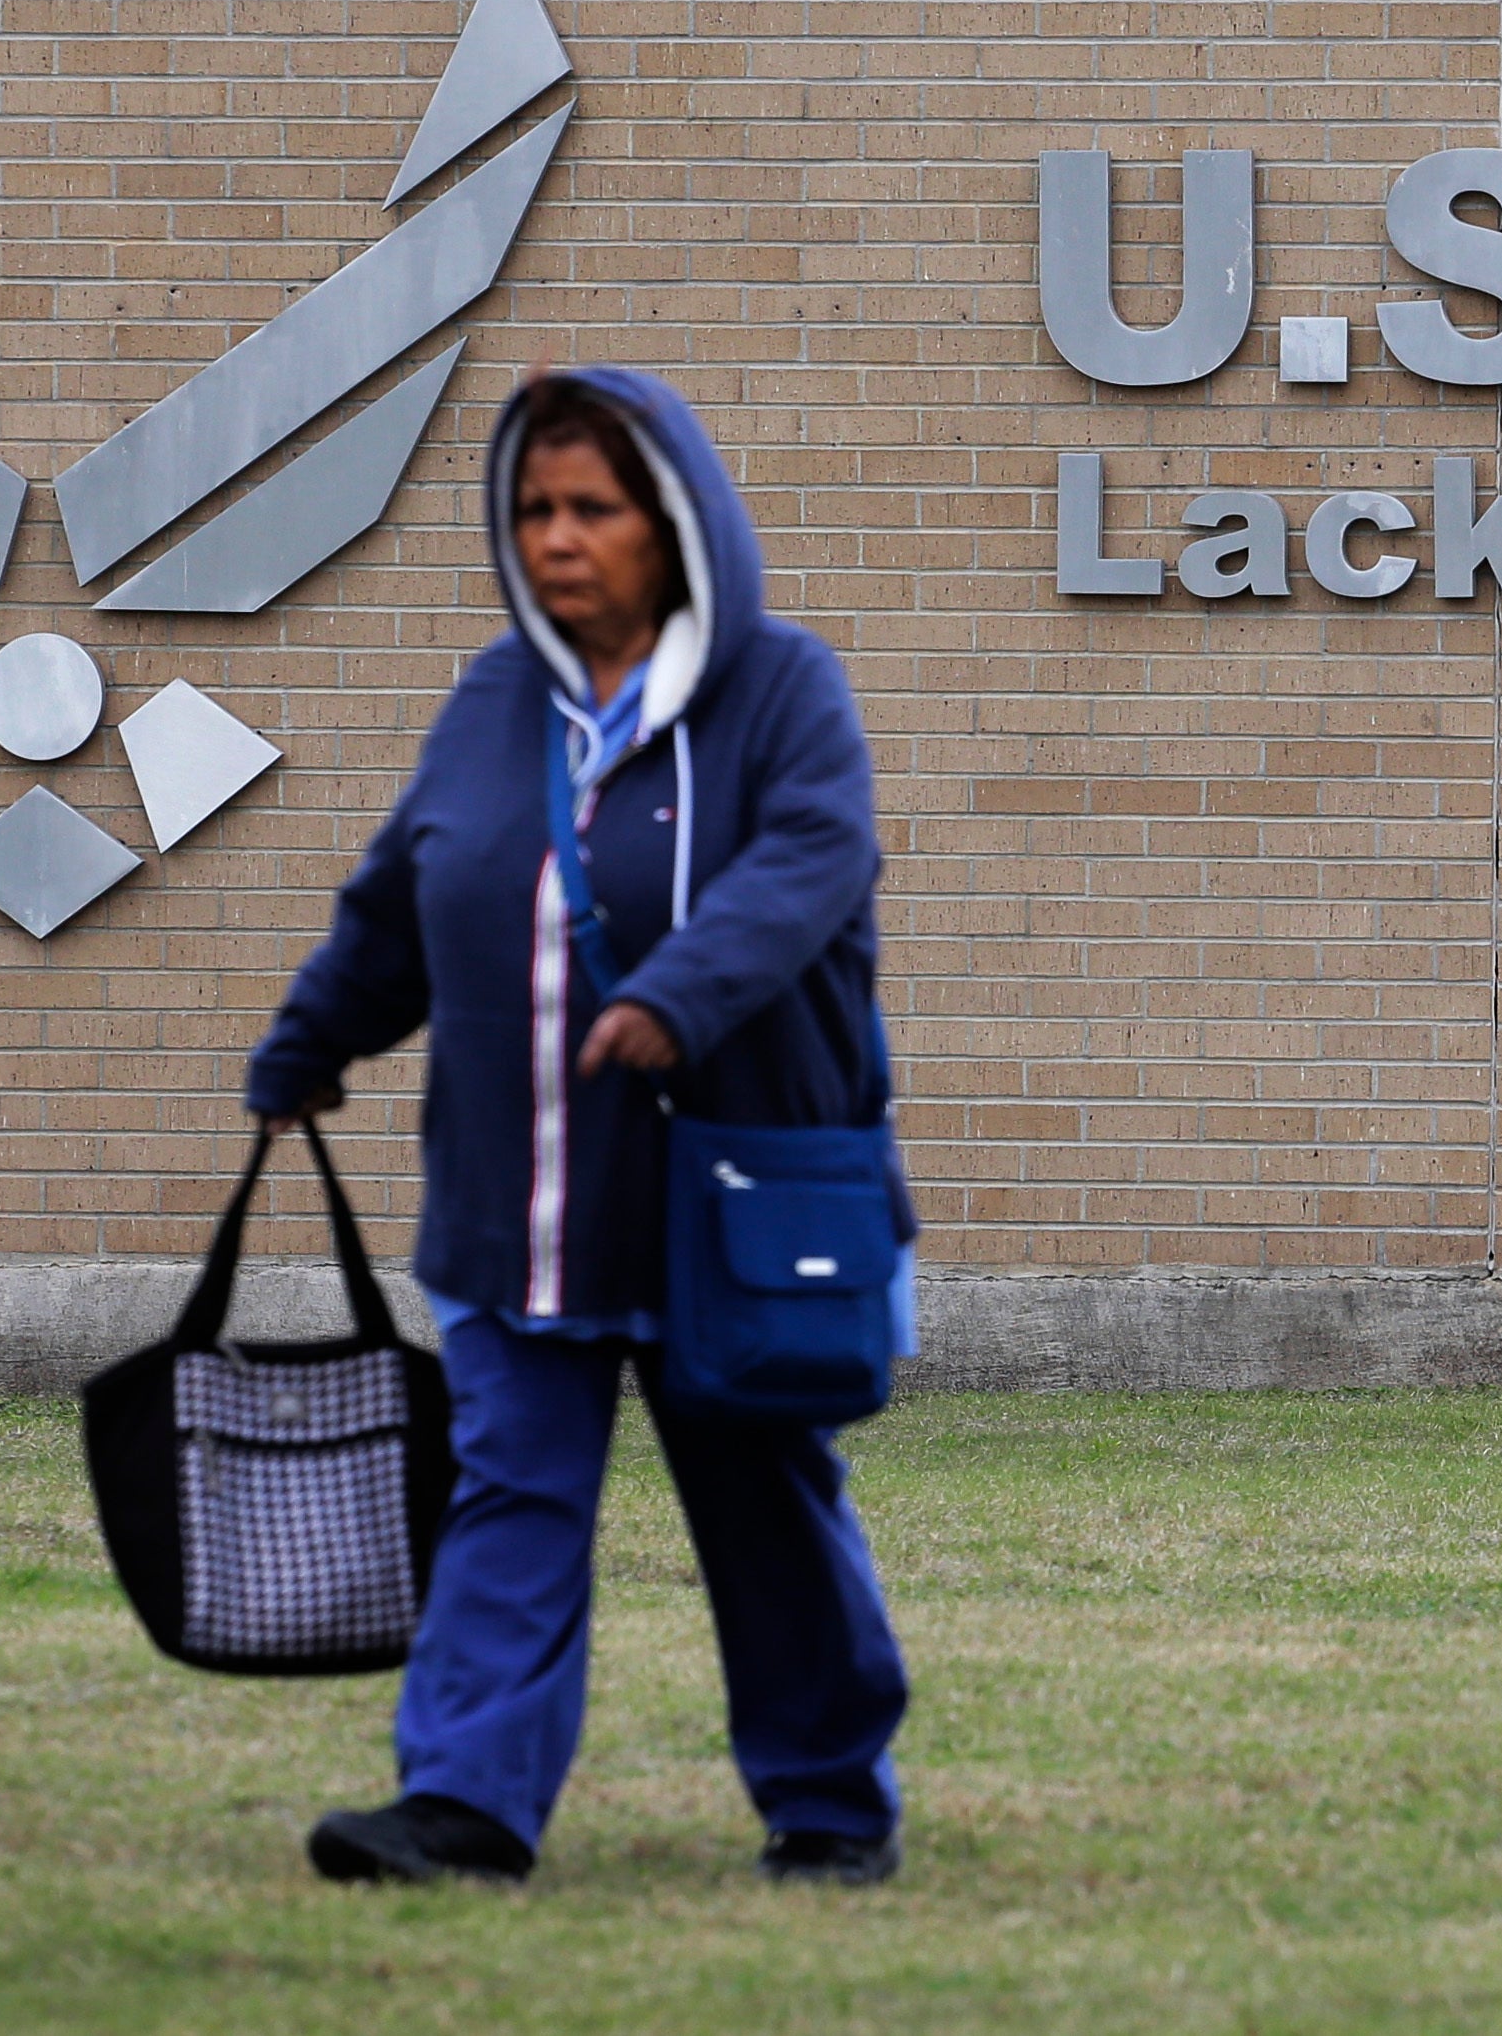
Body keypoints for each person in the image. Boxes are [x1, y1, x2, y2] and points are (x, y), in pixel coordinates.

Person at [242, 365, 912, 1889]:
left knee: (768, 1514)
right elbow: (408, 890)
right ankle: (468, 1806)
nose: (556, 538)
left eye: (593, 509)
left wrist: (680, 992)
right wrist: (310, 1041)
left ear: (673, 525)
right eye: (535, 508)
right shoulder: (496, 700)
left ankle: (829, 1802)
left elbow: (816, 858)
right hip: (519, 1203)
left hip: (721, 1206)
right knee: (511, 1502)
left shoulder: (784, 689)